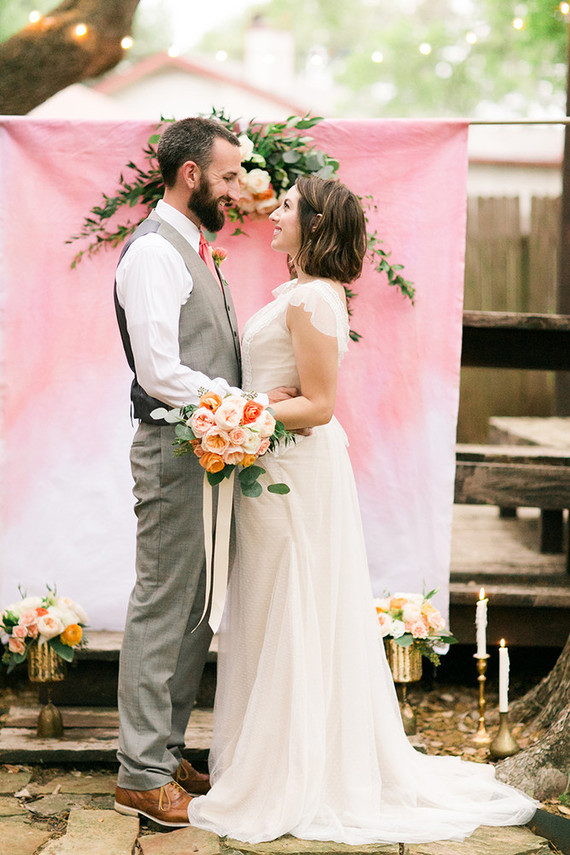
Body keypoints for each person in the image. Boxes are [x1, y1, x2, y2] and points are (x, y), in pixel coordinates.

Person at [186, 175, 538, 845]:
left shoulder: (314, 297)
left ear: (317, 224)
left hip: (294, 473)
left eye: (289, 205)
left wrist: (240, 411)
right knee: (268, 606)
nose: (275, 212)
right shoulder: (296, 293)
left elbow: (319, 407)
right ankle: (272, 757)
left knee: (293, 604)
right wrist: (251, 406)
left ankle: (298, 771)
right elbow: (291, 392)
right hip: (268, 463)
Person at [112, 117, 295, 828]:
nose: (236, 189)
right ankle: (140, 775)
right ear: (190, 174)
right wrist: (245, 408)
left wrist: (239, 415)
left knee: (197, 604)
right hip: (172, 449)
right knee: (165, 601)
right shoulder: (155, 253)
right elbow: (160, 370)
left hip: (207, 448)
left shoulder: (192, 247)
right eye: (226, 176)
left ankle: (162, 752)